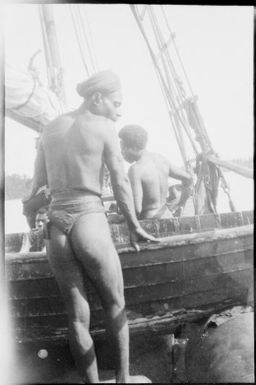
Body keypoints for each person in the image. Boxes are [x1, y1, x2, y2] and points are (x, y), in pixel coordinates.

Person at [28, 70, 157, 383]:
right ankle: (123, 380)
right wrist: (133, 223)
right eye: (116, 103)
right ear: (97, 98)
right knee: (116, 306)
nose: (118, 110)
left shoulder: (50, 129)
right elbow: (120, 179)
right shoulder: (104, 127)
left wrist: (30, 216)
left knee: (76, 318)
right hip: (89, 217)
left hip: (55, 224)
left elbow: (36, 187)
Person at [118, 125, 193, 219]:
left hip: (149, 223)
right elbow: (189, 179)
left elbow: (137, 210)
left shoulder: (136, 170)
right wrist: (181, 204)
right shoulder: (162, 160)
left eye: (123, 148)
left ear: (134, 147)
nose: (122, 152)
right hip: (167, 217)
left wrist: (119, 218)